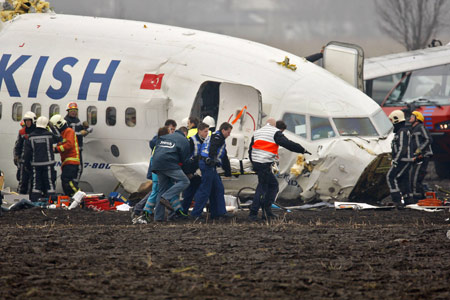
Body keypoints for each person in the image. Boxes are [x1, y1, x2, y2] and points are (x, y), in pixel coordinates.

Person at [248, 118, 309, 221]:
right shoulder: (275, 132)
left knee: (273, 185)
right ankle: (253, 214)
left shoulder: (257, 132)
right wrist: (302, 149)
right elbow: (287, 144)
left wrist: (254, 163)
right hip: (264, 164)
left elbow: (251, 149)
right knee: (263, 188)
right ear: (275, 126)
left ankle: (266, 212)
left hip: (257, 162)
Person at [190, 122, 233, 220]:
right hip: (207, 165)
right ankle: (196, 214)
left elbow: (224, 156)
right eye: (228, 132)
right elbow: (213, 147)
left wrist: (228, 171)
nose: (229, 135)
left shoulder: (215, 137)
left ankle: (219, 213)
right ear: (223, 130)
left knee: (218, 188)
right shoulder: (218, 137)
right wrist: (212, 159)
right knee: (205, 190)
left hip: (208, 164)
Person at [151, 126, 191, 220]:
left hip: (157, 163)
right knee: (185, 182)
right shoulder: (184, 140)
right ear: (185, 134)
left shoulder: (166, 136)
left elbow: (153, 144)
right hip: (169, 163)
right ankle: (166, 197)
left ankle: (158, 217)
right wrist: (187, 172)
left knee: (161, 189)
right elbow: (185, 159)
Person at [23, 116, 59, 202]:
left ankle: (35, 202)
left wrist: (26, 165)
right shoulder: (49, 135)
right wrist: (52, 126)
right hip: (48, 164)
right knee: (50, 184)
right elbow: (59, 137)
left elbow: (27, 153)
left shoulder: (31, 137)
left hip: (36, 165)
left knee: (36, 185)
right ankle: (51, 202)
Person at [181, 122, 210, 214]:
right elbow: (188, 157)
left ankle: (197, 212)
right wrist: (189, 172)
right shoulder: (192, 141)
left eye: (208, 131)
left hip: (202, 170)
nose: (207, 133)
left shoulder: (207, 140)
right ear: (199, 131)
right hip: (193, 171)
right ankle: (183, 212)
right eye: (205, 131)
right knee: (189, 193)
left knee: (201, 193)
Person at [50, 114, 81, 197]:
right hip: (67, 162)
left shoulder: (68, 131)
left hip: (72, 161)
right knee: (65, 180)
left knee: (68, 180)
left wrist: (56, 149)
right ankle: (70, 196)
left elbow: (69, 145)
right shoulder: (62, 134)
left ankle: (79, 195)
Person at [387, 110, 412, 208]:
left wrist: (396, 160)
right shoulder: (401, 132)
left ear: (396, 120)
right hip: (405, 160)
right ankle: (408, 200)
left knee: (391, 177)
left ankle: (397, 200)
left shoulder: (402, 132)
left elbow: (402, 148)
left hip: (403, 160)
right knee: (403, 179)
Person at [64, 102, 92, 183]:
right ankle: (72, 186)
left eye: (75, 110)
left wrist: (86, 129)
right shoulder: (66, 121)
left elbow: (80, 132)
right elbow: (70, 134)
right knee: (74, 169)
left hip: (78, 149)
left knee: (79, 169)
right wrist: (82, 133)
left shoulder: (77, 120)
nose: (73, 112)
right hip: (71, 150)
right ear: (68, 111)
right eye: (72, 110)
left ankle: (75, 184)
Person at [409, 111, 433, 202]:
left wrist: (420, 150)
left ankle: (417, 197)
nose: (410, 118)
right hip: (416, 156)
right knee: (413, 176)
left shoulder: (421, 127)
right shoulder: (412, 129)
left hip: (423, 156)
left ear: (417, 118)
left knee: (416, 177)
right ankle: (420, 196)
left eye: (412, 116)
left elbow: (428, 139)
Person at [13, 111, 36, 194]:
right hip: (23, 161)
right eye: (26, 121)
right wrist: (16, 156)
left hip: (34, 161)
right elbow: (18, 146)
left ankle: (32, 198)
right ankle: (20, 198)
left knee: (34, 182)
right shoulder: (22, 132)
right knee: (23, 182)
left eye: (29, 121)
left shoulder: (36, 132)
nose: (27, 123)